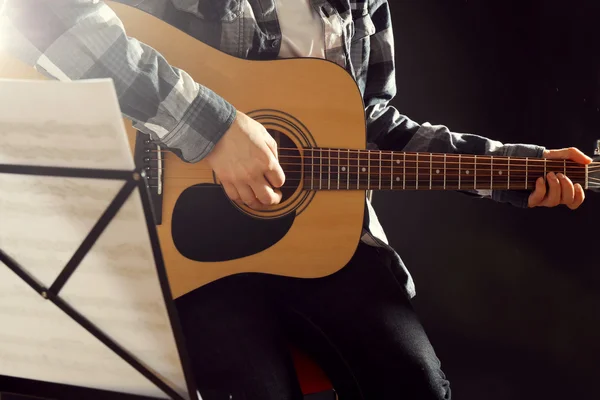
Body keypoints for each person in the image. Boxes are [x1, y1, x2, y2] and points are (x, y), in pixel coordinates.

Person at [1, 1, 592, 399]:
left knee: (416, 384)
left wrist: (511, 167)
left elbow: (368, 124)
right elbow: (47, 16)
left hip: (321, 247)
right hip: (181, 250)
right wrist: (214, 128)